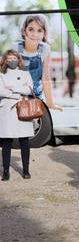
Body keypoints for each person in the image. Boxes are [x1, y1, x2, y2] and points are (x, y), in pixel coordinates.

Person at [0, 50, 35, 181]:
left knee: (24, 141)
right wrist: (19, 90)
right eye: (9, 58)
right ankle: (5, 171)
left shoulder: (25, 73)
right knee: (6, 142)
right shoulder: (1, 74)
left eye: (14, 58)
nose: (12, 60)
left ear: (18, 59)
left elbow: (29, 89)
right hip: (7, 110)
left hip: (22, 109)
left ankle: (26, 170)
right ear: (5, 60)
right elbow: (0, 91)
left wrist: (11, 88)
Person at [16, 14, 61, 111]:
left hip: (36, 96)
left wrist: (51, 104)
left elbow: (46, 78)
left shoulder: (45, 49)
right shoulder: (15, 48)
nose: (35, 34)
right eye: (31, 29)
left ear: (44, 34)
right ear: (24, 31)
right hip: (16, 97)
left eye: (39, 30)